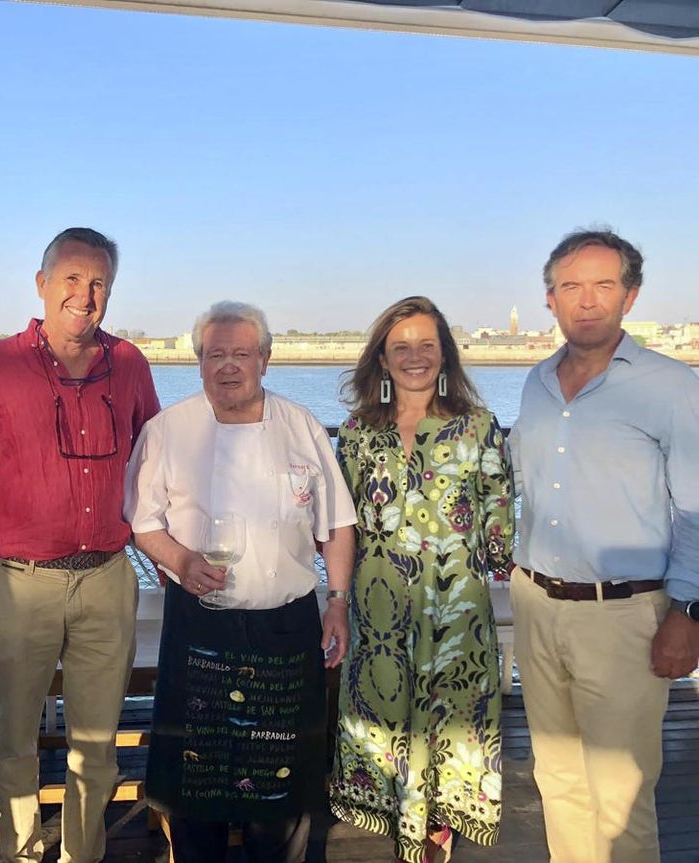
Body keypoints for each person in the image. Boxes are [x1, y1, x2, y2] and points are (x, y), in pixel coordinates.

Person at [0, 227, 160, 863]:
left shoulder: (129, 365)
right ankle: (16, 852)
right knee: (13, 738)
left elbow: (156, 461)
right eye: (72, 278)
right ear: (42, 285)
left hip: (106, 578)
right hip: (19, 580)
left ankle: (81, 854)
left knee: (95, 744)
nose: (84, 294)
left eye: (98, 283)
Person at [124, 300, 357, 863]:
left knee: (280, 786)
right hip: (200, 625)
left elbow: (339, 524)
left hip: (285, 624)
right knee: (197, 777)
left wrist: (338, 601)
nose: (228, 366)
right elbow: (141, 521)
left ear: (266, 360)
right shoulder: (168, 430)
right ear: (199, 361)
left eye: (241, 354)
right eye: (215, 354)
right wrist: (179, 561)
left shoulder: (301, 427)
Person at [509, 229, 699, 863]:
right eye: (570, 287)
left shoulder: (672, 388)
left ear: (630, 295)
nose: (586, 300)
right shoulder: (535, 383)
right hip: (536, 605)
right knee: (556, 780)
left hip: (624, 615)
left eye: (603, 285)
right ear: (550, 299)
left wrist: (687, 612)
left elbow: (697, 509)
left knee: (621, 796)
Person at [328, 295, 515, 863]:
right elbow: (341, 522)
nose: (414, 357)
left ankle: (433, 846)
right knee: (387, 734)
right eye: (400, 347)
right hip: (379, 615)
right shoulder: (357, 432)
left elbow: (499, 519)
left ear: (445, 355)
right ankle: (406, 839)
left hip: (455, 614)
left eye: (426, 345)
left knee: (447, 733)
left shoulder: (478, 426)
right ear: (382, 360)